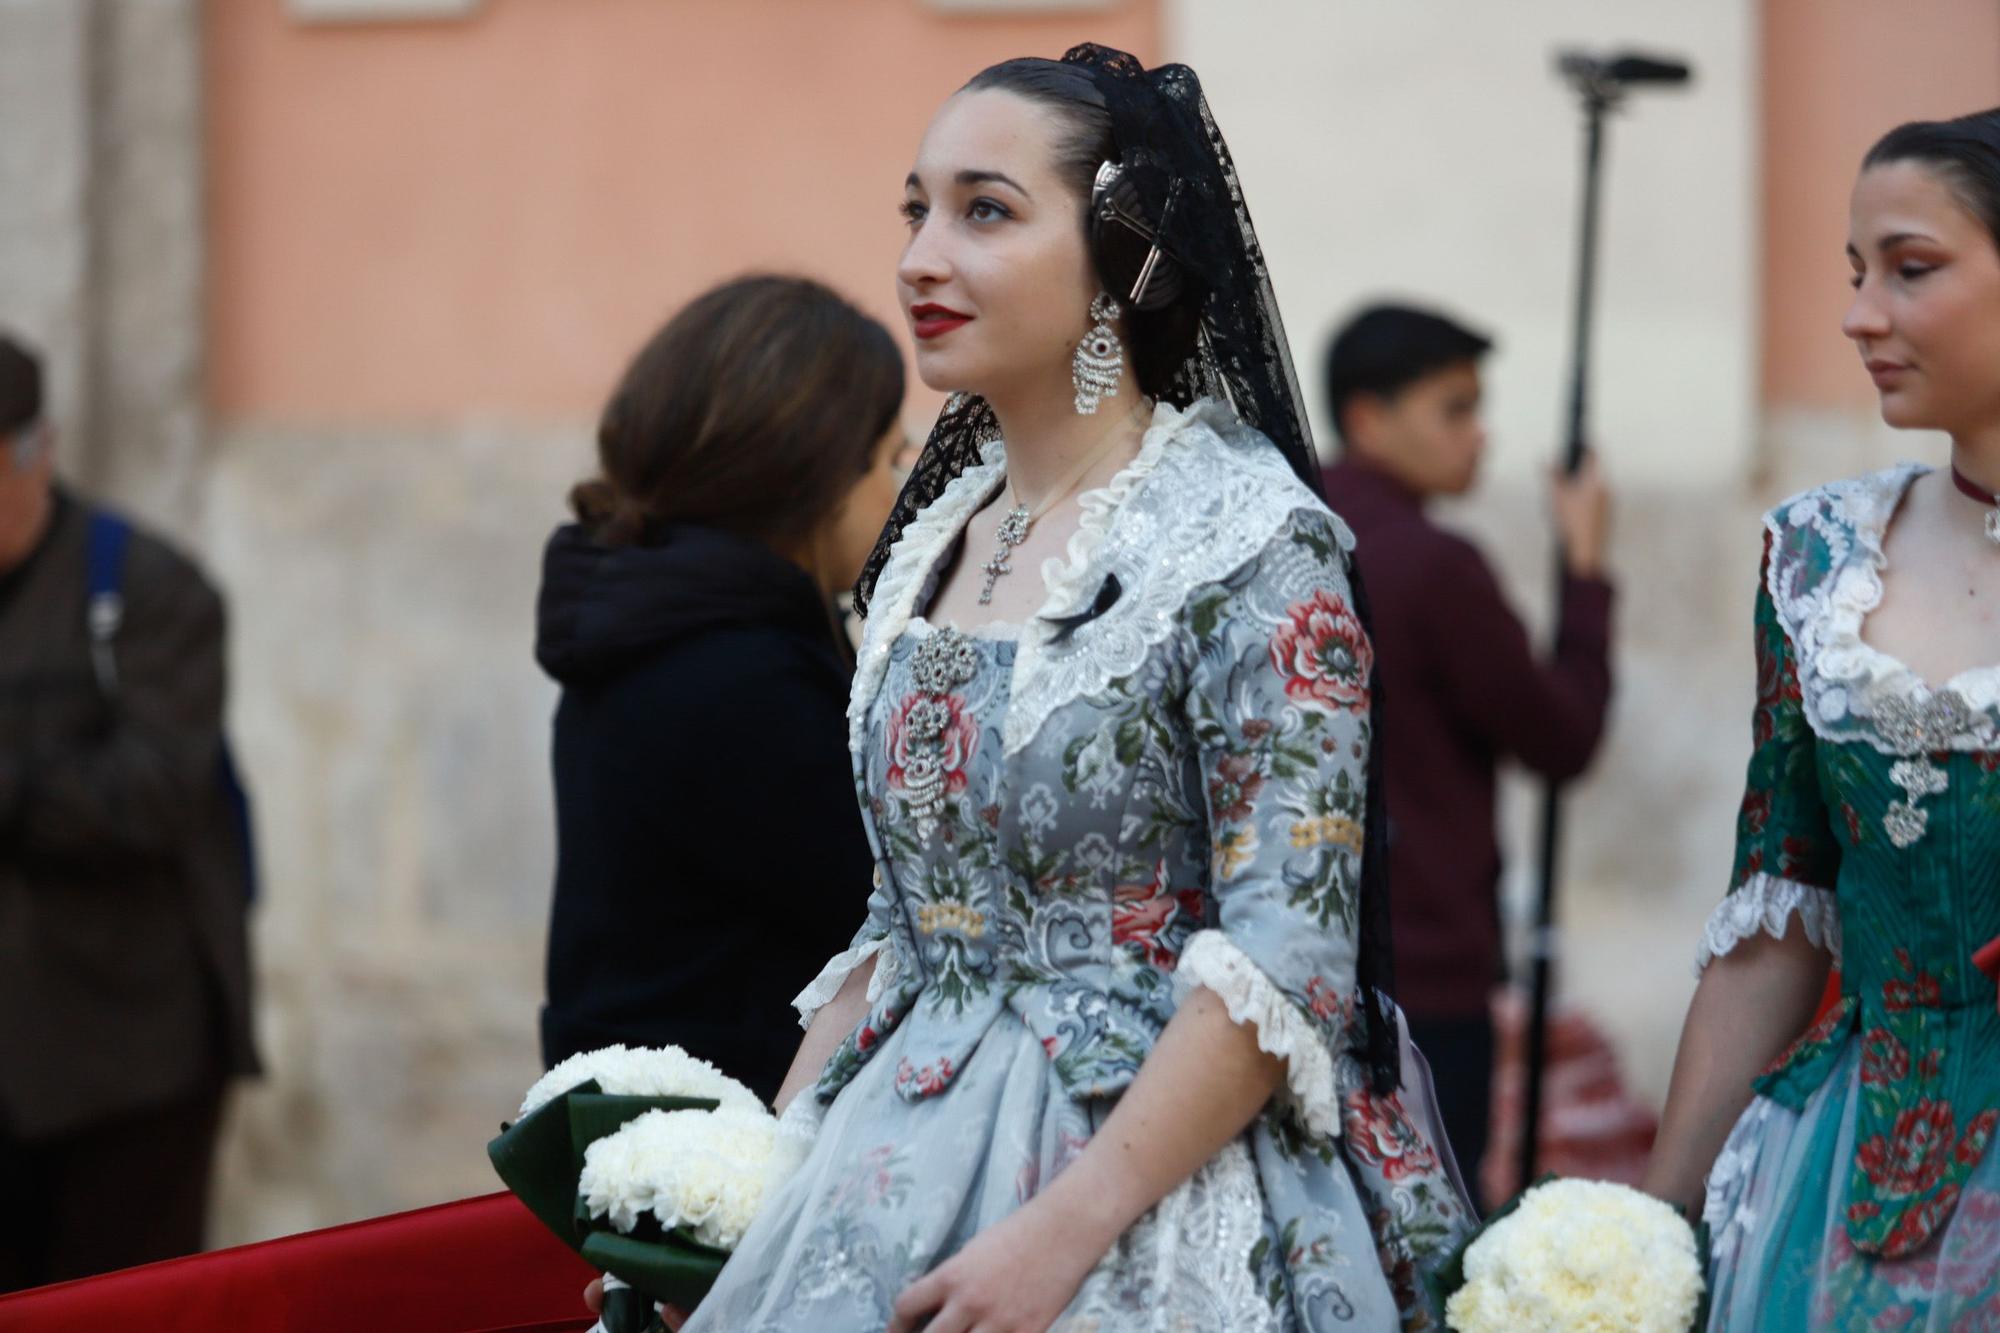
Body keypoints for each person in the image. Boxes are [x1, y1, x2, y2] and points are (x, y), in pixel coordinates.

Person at [670, 45, 1474, 1333]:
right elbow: (901, 926)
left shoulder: (1245, 540)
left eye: (984, 210)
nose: (922, 257)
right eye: (915, 209)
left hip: (1159, 1192)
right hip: (893, 1154)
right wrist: (756, 1189)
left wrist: (1059, 1231)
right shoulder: (930, 550)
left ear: (1124, 261)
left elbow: (1289, 957)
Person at [1643, 109, 2000, 1327]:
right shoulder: (1819, 555)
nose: (1858, 317)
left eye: (1910, 268)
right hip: (1848, 1169)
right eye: (1854, 276)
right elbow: (1777, 913)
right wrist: (1652, 1235)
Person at [536, 275, 907, 1107]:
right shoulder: (739, 673)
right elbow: (891, 911)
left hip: (644, 1110)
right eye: (889, 456)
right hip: (718, 1146)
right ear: (811, 478)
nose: (904, 482)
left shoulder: (655, 617)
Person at [1319, 305, 1615, 1198]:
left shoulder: (1289, 526)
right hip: (1427, 984)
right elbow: (1562, 735)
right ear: (1369, 417)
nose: (1480, 435)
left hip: (1299, 966)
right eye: (1455, 408)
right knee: (1433, 1235)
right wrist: (1587, 565)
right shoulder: (1432, 562)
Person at [0, 332, 258, 1290]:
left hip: (130, 1072)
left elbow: (154, 792)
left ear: (38, 451)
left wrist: (17, 789)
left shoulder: (149, 590)